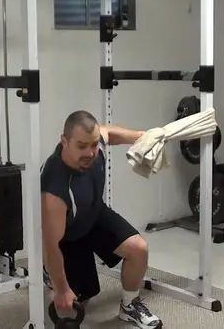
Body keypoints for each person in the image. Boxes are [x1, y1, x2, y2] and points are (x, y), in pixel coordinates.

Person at [41, 110, 163, 329]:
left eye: (94, 144)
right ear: (64, 141)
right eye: (81, 146)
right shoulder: (54, 187)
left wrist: (141, 137)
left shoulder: (94, 145)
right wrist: (61, 288)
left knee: (138, 249)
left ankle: (129, 306)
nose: (90, 152)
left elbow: (108, 133)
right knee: (73, 307)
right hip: (67, 237)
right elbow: (51, 245)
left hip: (94, 214)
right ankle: (49, 276)